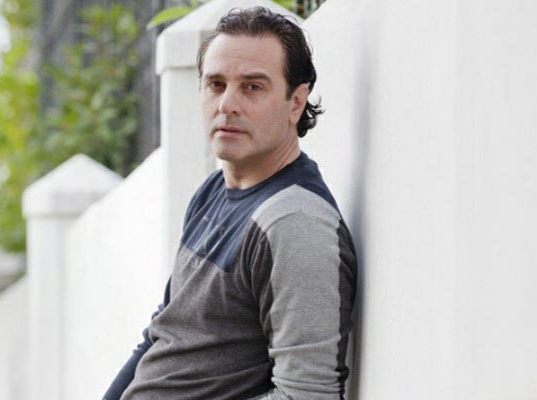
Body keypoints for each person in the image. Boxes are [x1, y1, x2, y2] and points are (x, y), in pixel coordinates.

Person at [104, 6, 357, 400]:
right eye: (216, 84)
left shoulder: (295, 224)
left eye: (252, 87)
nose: (227, 105)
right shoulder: (213, 191)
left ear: (296, 101)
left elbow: (306, 395)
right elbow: (161, 334)